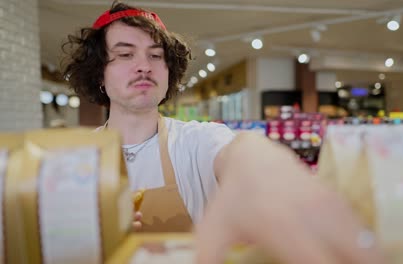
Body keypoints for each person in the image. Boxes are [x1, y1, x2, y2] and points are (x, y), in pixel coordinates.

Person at [61, 1, 385, 263]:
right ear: (99, 74)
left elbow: (240, 153)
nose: (144, 65)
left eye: (156, 55)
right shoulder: (72, 161)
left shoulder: (196, 141)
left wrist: (261, 162)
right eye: (125, 54)